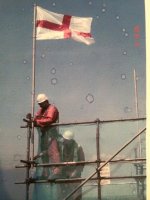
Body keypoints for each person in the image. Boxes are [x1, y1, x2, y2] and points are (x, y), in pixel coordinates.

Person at [33, 93, 61, 179]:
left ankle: (56, 172)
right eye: (39, 104)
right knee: (44, 153)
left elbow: (50, 119)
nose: (40, 105)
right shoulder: (42, 109)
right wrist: (33, 120)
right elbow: (36, 117)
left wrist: (37, 122)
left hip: (52, 134)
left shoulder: (52, 108)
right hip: (44, 134)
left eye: (41, 103)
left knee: (53, 152)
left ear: (46, 101)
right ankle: (45, 173)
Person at [60, 130, 85, 200]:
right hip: (64, 175)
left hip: (75, 176)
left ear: (70, 140)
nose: (64, 141)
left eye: (65, 140)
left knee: (76, 195)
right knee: (64, 194)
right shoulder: (62, 147)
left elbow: (82, 163)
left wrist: (75, 173)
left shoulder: (78, 147)